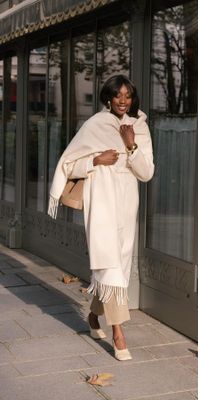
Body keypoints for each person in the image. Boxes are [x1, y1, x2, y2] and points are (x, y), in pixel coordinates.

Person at [48, 74, 154, 360]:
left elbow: (147, 173)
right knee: (108, 260)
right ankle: (119, 333)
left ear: (133, 99)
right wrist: (95, 160)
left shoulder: (140, 127)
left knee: (117, 261)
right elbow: (68, 163)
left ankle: (94, 316)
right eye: (117, 95)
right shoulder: (94, 124)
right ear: (108, 97)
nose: (122, 100)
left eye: (128, 95)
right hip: (101, 198)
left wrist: (130, 145)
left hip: (127, 198)